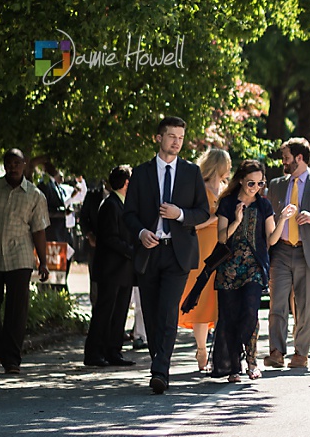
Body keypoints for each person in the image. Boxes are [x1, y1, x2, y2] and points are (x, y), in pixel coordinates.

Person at [122, 116, 210, 394]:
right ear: (158, 138)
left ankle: (161, 370)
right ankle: (158, 361)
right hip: (149, 251)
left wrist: (180, 214)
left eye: (181, 138)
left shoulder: (191, 172)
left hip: (178, 253)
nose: (176, 142)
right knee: (151, 313)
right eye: (171, 136)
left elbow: (204, 212)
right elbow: (129, 214)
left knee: (169, 310)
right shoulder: (141, 172)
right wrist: (140, 233)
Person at [211, 160, 297, 382]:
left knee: (250, 313)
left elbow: (271, 240)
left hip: (254, 267)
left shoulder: (263, 205)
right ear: (240, 180)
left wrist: (283, 220)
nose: (255, 187)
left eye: (260, 183)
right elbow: (221, 238)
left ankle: (251, 360)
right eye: (251, 183)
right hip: (229, 268)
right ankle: (234, 367)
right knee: (229, 316)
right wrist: (236, 221)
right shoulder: (228, 203)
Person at [0, 149, 50, 373]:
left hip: (20, 257)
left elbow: (39, 231)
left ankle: (11, 359)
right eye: (9, 163)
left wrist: (43, 261)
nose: (13, 167)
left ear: (24, 165)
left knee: (17, 309)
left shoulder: (35, 196)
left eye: (17, 163)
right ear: (4, 165)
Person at [264, 137, 310, 370]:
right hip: (281, 250)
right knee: (277, 304)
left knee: (306, 306)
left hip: (309, 251)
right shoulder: (276, 185)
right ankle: (276, 351)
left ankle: (301, 353)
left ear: (299, 158)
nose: (283, 162)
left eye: (286, 158)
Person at [178, 147, 229, 371]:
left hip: (224, 250)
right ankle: (201, 349)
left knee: (221, 302)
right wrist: (214, 218)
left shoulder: (227, 190)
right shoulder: (198, 190)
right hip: (201, 250)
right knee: (201, 301)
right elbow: (190, 223)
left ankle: (218, 352)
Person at [84, 165, 136, 368]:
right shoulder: (110, 205)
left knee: (120, 311)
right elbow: (109, 238)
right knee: (104, 311)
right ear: (126, 183)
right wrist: (132, 251)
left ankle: (113, 350)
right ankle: (94, 352)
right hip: (110, 269)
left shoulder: (123, 204)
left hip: (123, 270)